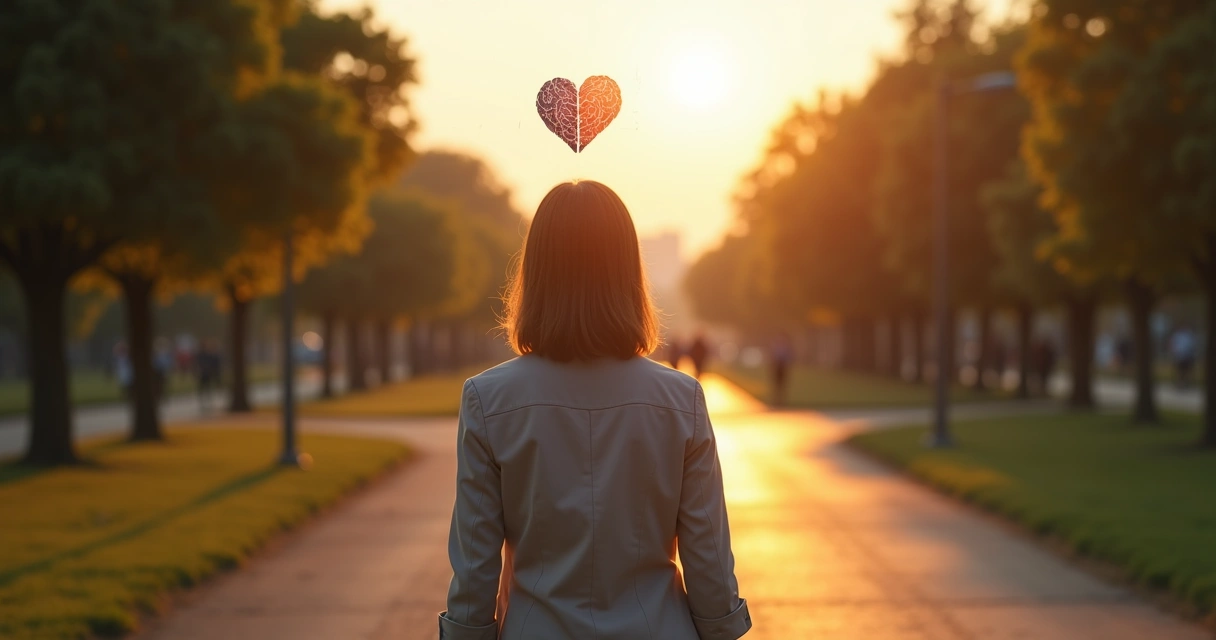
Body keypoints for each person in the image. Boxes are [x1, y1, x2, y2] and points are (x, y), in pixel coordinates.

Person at [440, 181, 750, 640]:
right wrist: (721, 628)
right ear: (628, 272)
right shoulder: (681, 399)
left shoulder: (489, 399)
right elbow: (708, 560)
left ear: (537, 272)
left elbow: (475, 568)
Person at [195, 339, 222, 414]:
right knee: (203, 388)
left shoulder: (207, 354)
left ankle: (207, 402)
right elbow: (197, 364)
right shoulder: (200, 355)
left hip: (207, 373)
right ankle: (203, 402)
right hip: (203, 374)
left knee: (207, 388)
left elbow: (212, 364)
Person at [770, 332, 794, 406]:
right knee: (777, 384)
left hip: (783, 366)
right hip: (777, 366)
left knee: (783, 384)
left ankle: (782, 400)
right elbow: (773, 356)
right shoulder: (776, 346)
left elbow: (789, 357)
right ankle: (776, 399)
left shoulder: (786, 347)